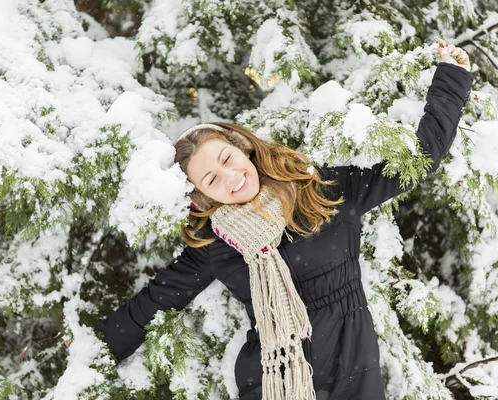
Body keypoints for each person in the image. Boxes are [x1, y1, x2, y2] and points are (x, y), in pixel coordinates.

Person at [91, 41, 473, 399]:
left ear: (242, 147)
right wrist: (95, 353)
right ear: (202, 195)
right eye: (211, 179)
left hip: (353, 370)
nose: (230, 177)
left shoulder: (323, 188)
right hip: (271, 381)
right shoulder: (217, 242)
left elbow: (420, 158)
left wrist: (450, 80)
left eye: (226, 160)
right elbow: (156, 300)